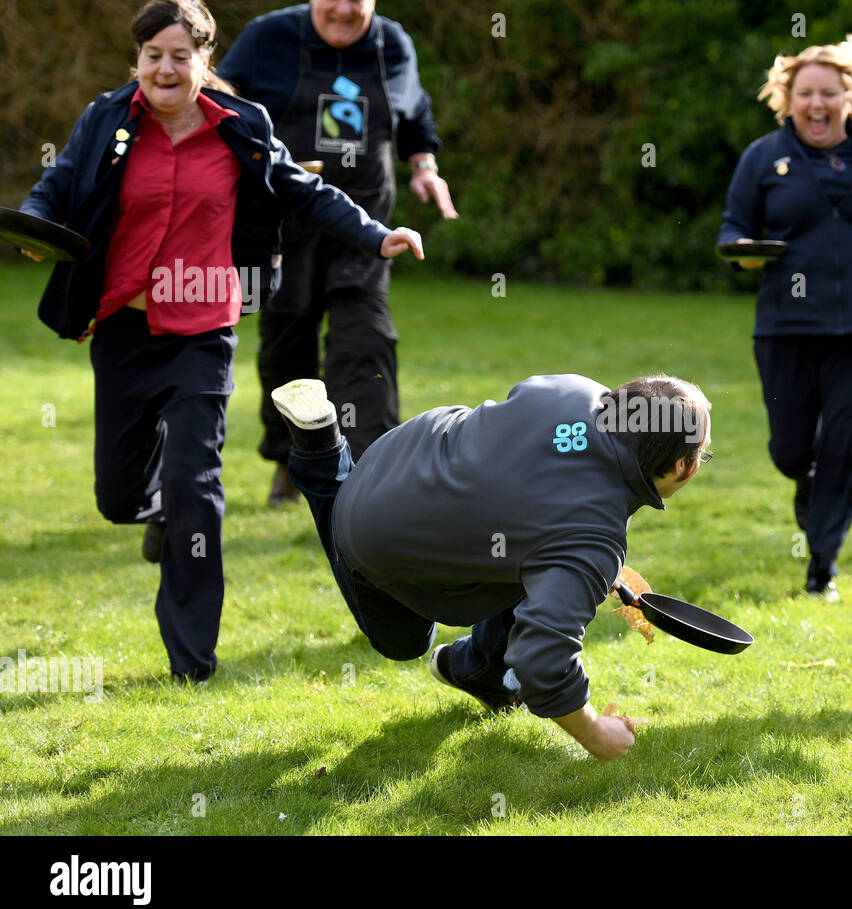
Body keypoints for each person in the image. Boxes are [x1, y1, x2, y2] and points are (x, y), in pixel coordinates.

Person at [19, 0, 424, 681]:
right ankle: (155, 511)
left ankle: (190, 660)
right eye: (154, 56)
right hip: (125, 327)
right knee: (118, 495)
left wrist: (374, 234)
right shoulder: (108, 120)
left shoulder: (242, 126)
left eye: (181, 56)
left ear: (206, 63)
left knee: (196, 485)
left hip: (203, 331)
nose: (166, 69)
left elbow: (302, 190)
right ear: (138, 62)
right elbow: (55, 188)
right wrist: (34, 227)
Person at [270, 372, 712, 761]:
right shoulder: (591, 542)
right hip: (373, 528)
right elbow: (544, 658)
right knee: (405, 643)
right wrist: (595, 733)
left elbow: (552, 477)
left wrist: (581, 563)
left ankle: (479, 671)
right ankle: (322, 450)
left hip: (407, 450)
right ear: (682, 467)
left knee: (537, 567)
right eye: (702, 457)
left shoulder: (574, 390)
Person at [717, 34, 852, 602]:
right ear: (787, 98)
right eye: (805, 93)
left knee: (844, 441)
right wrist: (742, 250)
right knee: (790, 451)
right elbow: (733, 227)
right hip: (786, 324)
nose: (817, 104)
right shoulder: (763, 158)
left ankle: (822, 567)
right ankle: (805, 482)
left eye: (829, 93)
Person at [217, 0, 458, 506]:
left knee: (364, 340)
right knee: (286, 346)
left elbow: (414, 111)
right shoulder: (267, 38)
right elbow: (219, 104)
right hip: (282, 224)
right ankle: (291, 462)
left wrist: (424, 164)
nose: (344, 9)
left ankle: (373, 476)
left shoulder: (393, 43)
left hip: (363, 227)